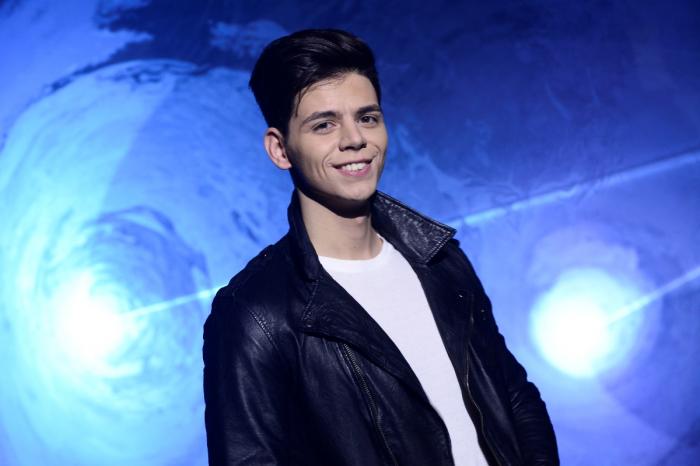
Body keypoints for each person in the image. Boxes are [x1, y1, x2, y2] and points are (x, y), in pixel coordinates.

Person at [203, 28, 559, 466]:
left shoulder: (439, 259)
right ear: (280, 149)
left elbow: (514, 397)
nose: (355, 139)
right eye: (324, 124)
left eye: (368, 117)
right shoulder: (254, 313)